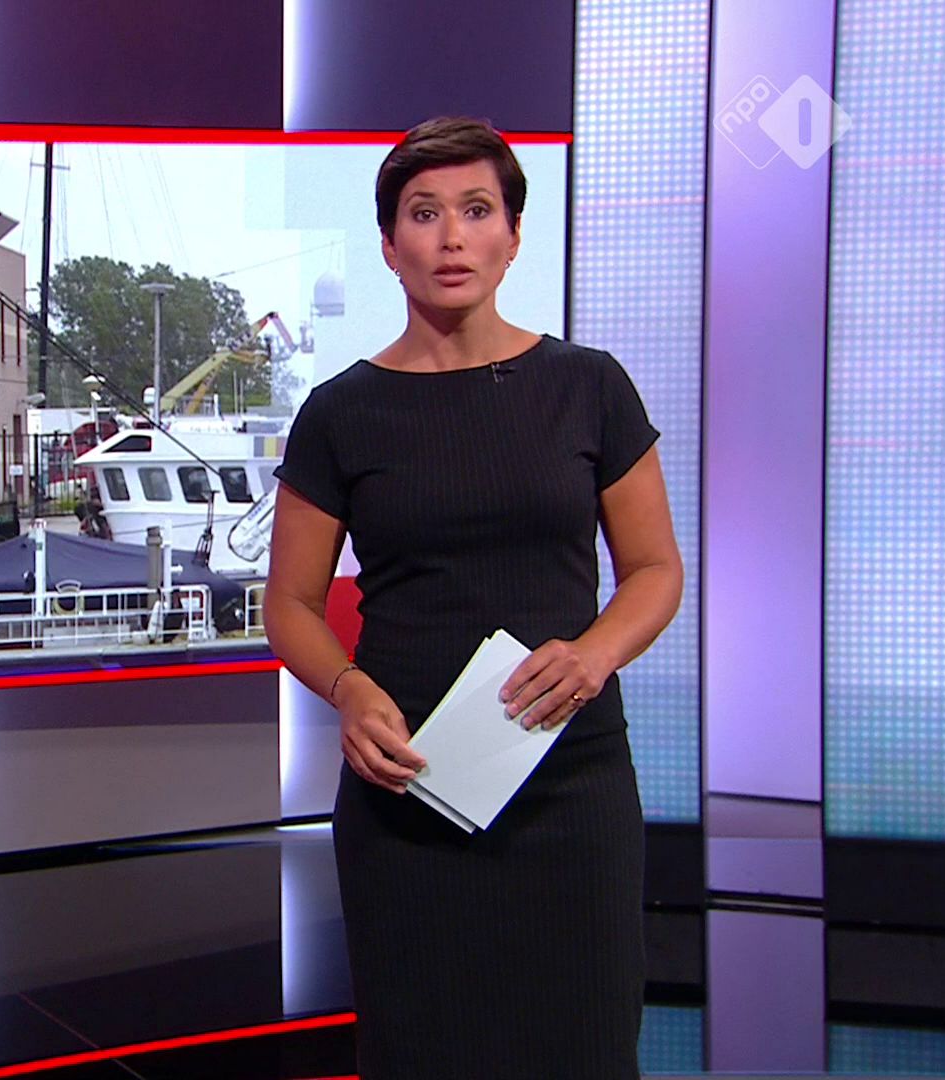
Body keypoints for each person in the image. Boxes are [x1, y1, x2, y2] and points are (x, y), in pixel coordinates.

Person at [264, 116, 683, 1079]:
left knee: (583, 1049)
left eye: (477, 210)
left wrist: (595, 654)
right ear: (389, 244)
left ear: (514, 235)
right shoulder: (340, 412)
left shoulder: (589, 387)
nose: (451, 237)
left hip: (570, 783)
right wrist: (348, 691)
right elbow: (289, 602)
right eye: (424, 214)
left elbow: (656, 570)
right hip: (408, 786)